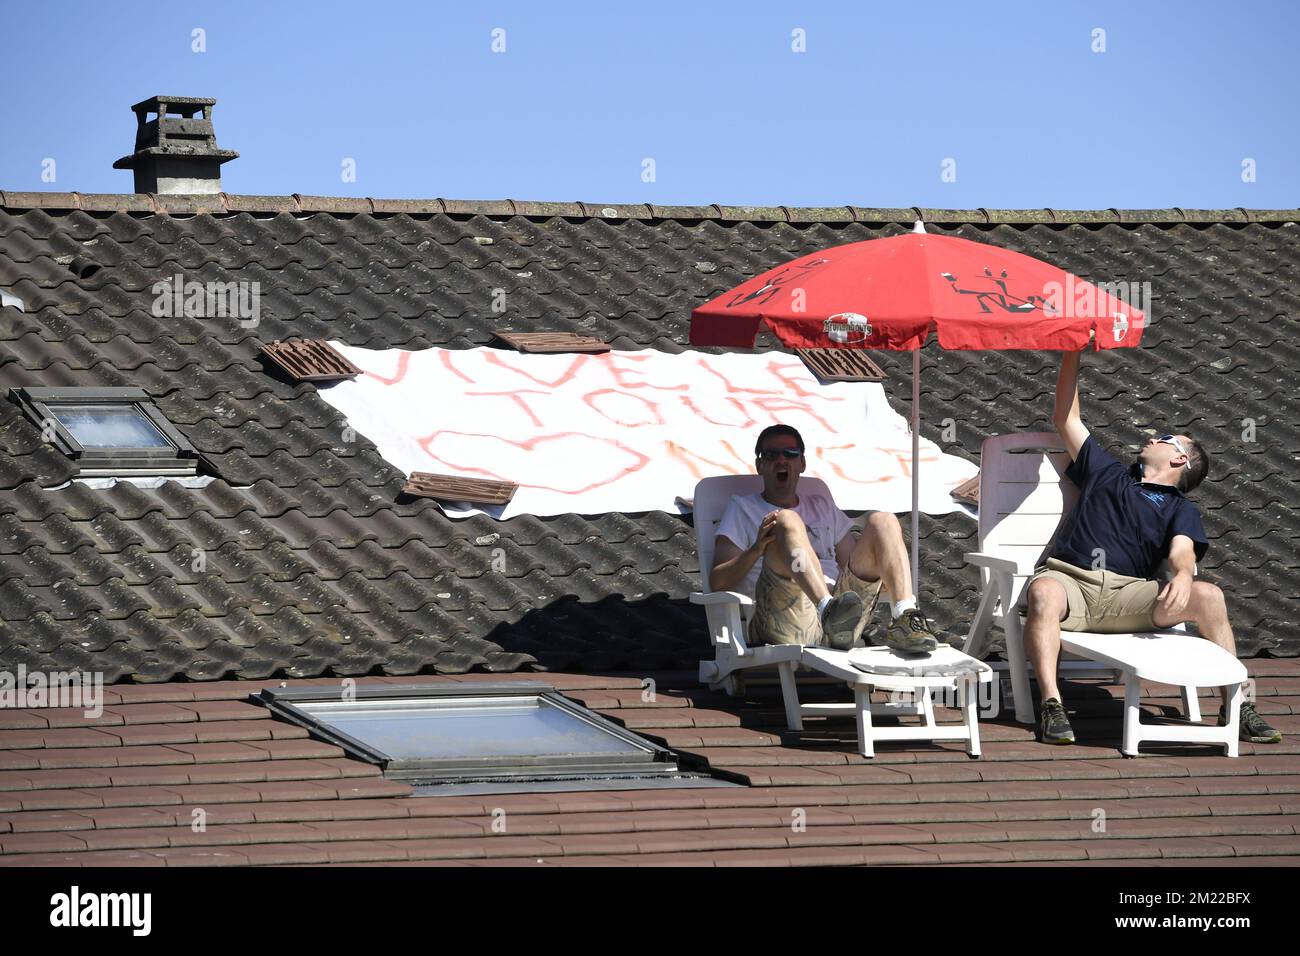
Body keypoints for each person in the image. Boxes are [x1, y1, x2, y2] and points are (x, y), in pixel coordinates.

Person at [1025, 349, 1281, 745]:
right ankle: (1051, 705)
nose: (1150, 437)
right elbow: (1066, 418)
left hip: (1130, 596)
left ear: (1180, 458)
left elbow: (1182, 551)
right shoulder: (1105, 470)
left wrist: (1181, 574)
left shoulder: (1181, 508)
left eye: (1164, 438)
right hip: (1071, 583)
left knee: (1209, 595)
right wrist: (1073, 351)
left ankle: (1239, 705)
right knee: (1042, 591)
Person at [709, 423, 940, 654]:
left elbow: (856, 568)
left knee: (884, 520)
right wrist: (757, 549)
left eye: (790, 454)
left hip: (843, 626)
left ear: (802, 463)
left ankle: (906, 615)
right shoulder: (742, 508)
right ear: (759, 465)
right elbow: (718, 582)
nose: (781, 460)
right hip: (782, 618)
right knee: (786, 520)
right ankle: (826, 608)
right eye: (771, 455)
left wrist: (889, 572)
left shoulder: (822, 507)